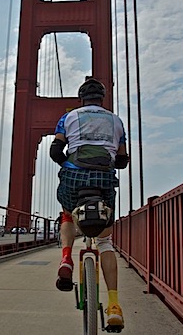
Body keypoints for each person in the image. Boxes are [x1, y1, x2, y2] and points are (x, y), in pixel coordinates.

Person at [49, 77, 129, 329]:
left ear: (81, 98)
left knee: (66, 214)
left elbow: (55, 151)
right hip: (103, 178)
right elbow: (123, 159)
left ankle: (66, 259)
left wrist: (71, 165)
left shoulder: (69, 117)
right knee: (105, 241)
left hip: (74, 176)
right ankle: (114, 304)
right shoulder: (116, 121)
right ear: (102, 99)